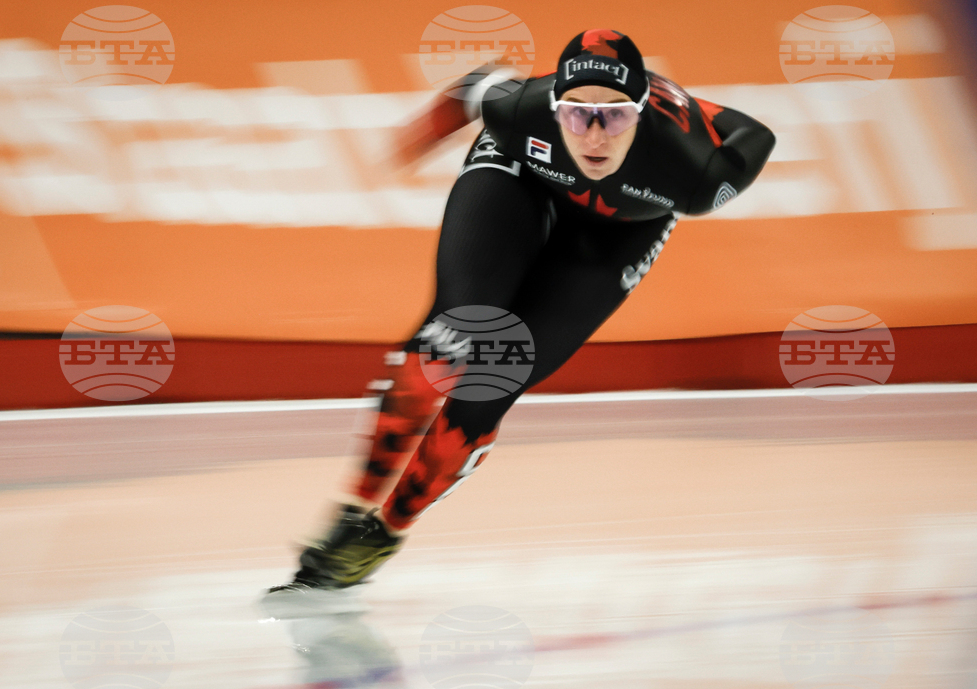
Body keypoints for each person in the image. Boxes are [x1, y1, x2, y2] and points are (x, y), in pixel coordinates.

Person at [262, 29, 775, 613]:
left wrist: (693, 107)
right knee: (456, 332)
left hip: (619, 230)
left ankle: (381, 535)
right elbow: (474, 86)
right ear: (554, 106)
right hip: (520, 176)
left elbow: (756, 134)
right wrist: (418, 137)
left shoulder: (695, 174)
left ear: (641, 112)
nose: (596, 136)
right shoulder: (519, 108)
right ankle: (353, 507)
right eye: (577, 115)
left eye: (615, 116)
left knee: (494, 377)